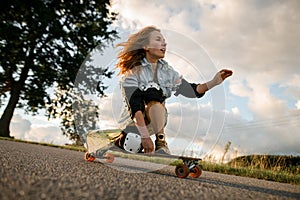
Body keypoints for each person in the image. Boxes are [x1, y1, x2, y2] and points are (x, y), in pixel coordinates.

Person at [114, 26, 232, 154]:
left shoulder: (167, 72)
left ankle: (161, 143)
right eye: (158, 40)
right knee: (132, 142)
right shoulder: (133, 71)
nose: (164, 43)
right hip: (133, 122)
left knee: (156, 97)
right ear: (146, 46)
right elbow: (135, 105)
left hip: (154, 121)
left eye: (164, 41)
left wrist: (214, 82)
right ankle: (120, 142)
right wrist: (144, 136)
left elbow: (190, 90)